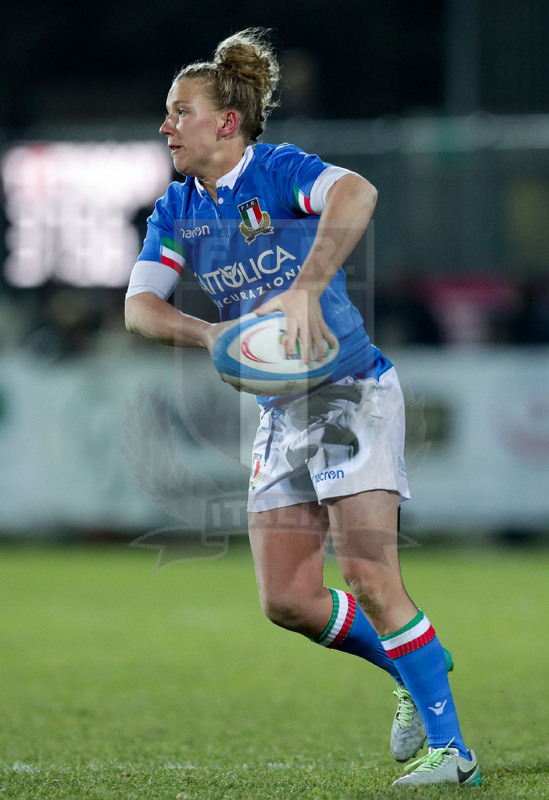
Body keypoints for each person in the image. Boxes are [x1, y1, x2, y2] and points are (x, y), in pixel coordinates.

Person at [124, 28, 480, 788]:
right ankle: (415, 666)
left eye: (178, 111)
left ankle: (452, 754)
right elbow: (138, 310)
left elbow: (357, 193)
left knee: (367, 574)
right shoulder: (178, 208)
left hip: (348, 391)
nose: (165, 127)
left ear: (225, 122)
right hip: (283, 413)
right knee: (287, 599)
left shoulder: (279, 170)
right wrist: (210, 334)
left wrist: (310, 282)